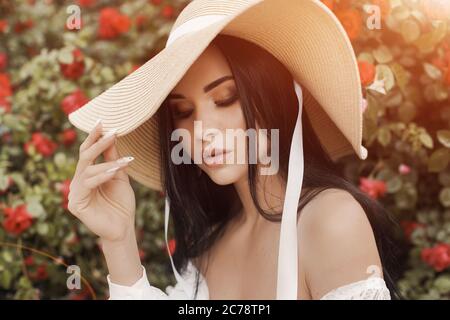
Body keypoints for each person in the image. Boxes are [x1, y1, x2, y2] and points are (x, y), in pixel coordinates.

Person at [67, 0, 402, 300]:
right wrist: (119, 237)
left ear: (274, 98)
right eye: (183, 112)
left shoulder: (331, 221)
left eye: (226, 98)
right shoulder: (208, 251)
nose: (202, 131)